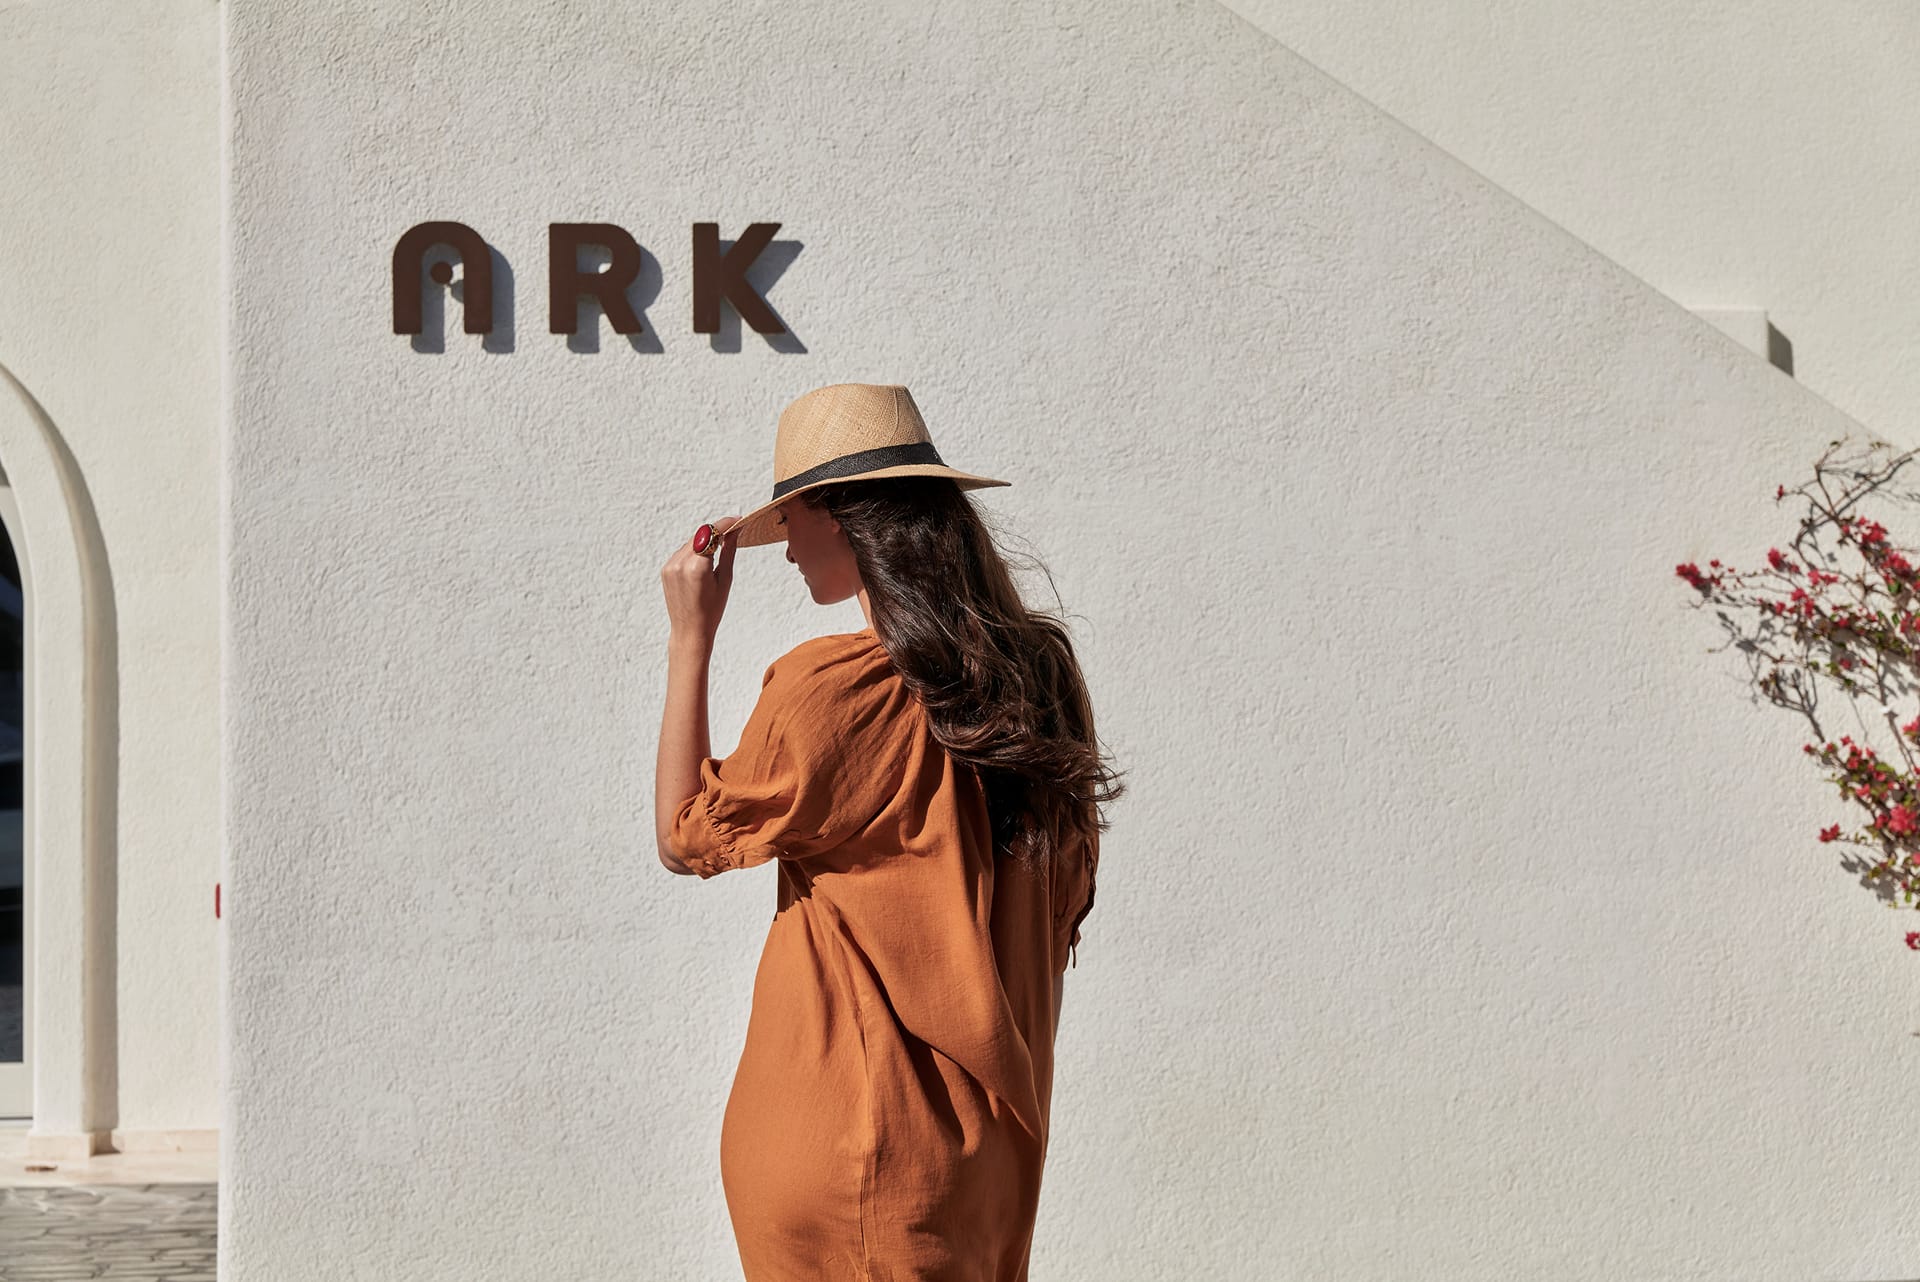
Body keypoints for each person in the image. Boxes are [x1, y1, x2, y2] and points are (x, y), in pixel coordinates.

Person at [654, 383, 1124, 1281]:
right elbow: (1056, 922)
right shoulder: (1042, 680)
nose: (788, 548)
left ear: (840, 515)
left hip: (847, 1145)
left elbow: (686, 836)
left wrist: (690, 640)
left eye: (791, 518)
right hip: (988, 1153)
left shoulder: (832, 691)